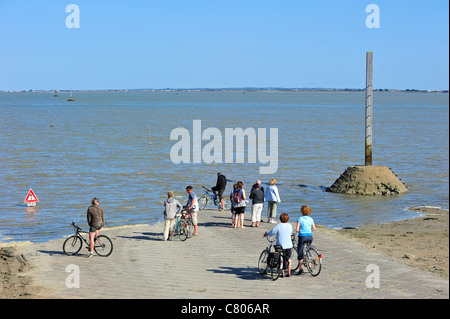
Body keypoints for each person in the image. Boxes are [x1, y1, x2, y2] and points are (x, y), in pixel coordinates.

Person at [264, 213, 293, 277]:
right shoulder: (290, 225)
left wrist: (267, 234)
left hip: (280, 245)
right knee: (288, 258)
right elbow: (291, 233)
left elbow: (272, 232)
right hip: (289, 245)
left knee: (280, 257)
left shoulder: (279, 225)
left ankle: (282, 273)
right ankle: (288, 272)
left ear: (280, 219)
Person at [296, 205, 316, 275]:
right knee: (308, 249)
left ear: (302, 211)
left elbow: (297, 229)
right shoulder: (311, 219)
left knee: (300, 251)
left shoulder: (300, 219)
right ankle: (310, 266)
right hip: (310, 236)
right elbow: (314, 228)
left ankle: (300, 268)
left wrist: (300, 231)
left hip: (302, 236)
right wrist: (308, 230)